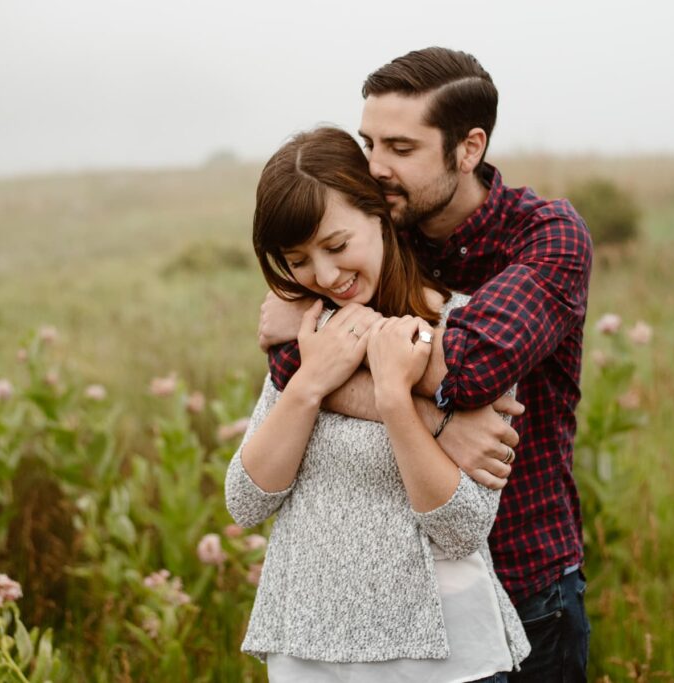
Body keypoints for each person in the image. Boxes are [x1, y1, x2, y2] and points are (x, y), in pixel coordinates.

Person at [257, 48, 593, 681]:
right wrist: (442, 423)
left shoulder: (545, 234)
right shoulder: (378, 227)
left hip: (527, 580)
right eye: (369, 142)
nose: (376, 167)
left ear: (468, 148)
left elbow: (471, 368)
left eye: (401, 148)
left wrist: (338, 340)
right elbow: (290, 359)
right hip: (413, 596)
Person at [226, 126, 530, 682]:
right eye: (297, 260)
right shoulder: (308, 334)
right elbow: (246, 501)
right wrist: (309, 384)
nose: (323, 275)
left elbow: (463, 529)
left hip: (443, 661)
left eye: (337, 246)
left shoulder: (465, 334)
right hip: (308, 656)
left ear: (380, 215)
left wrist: (395, 400)